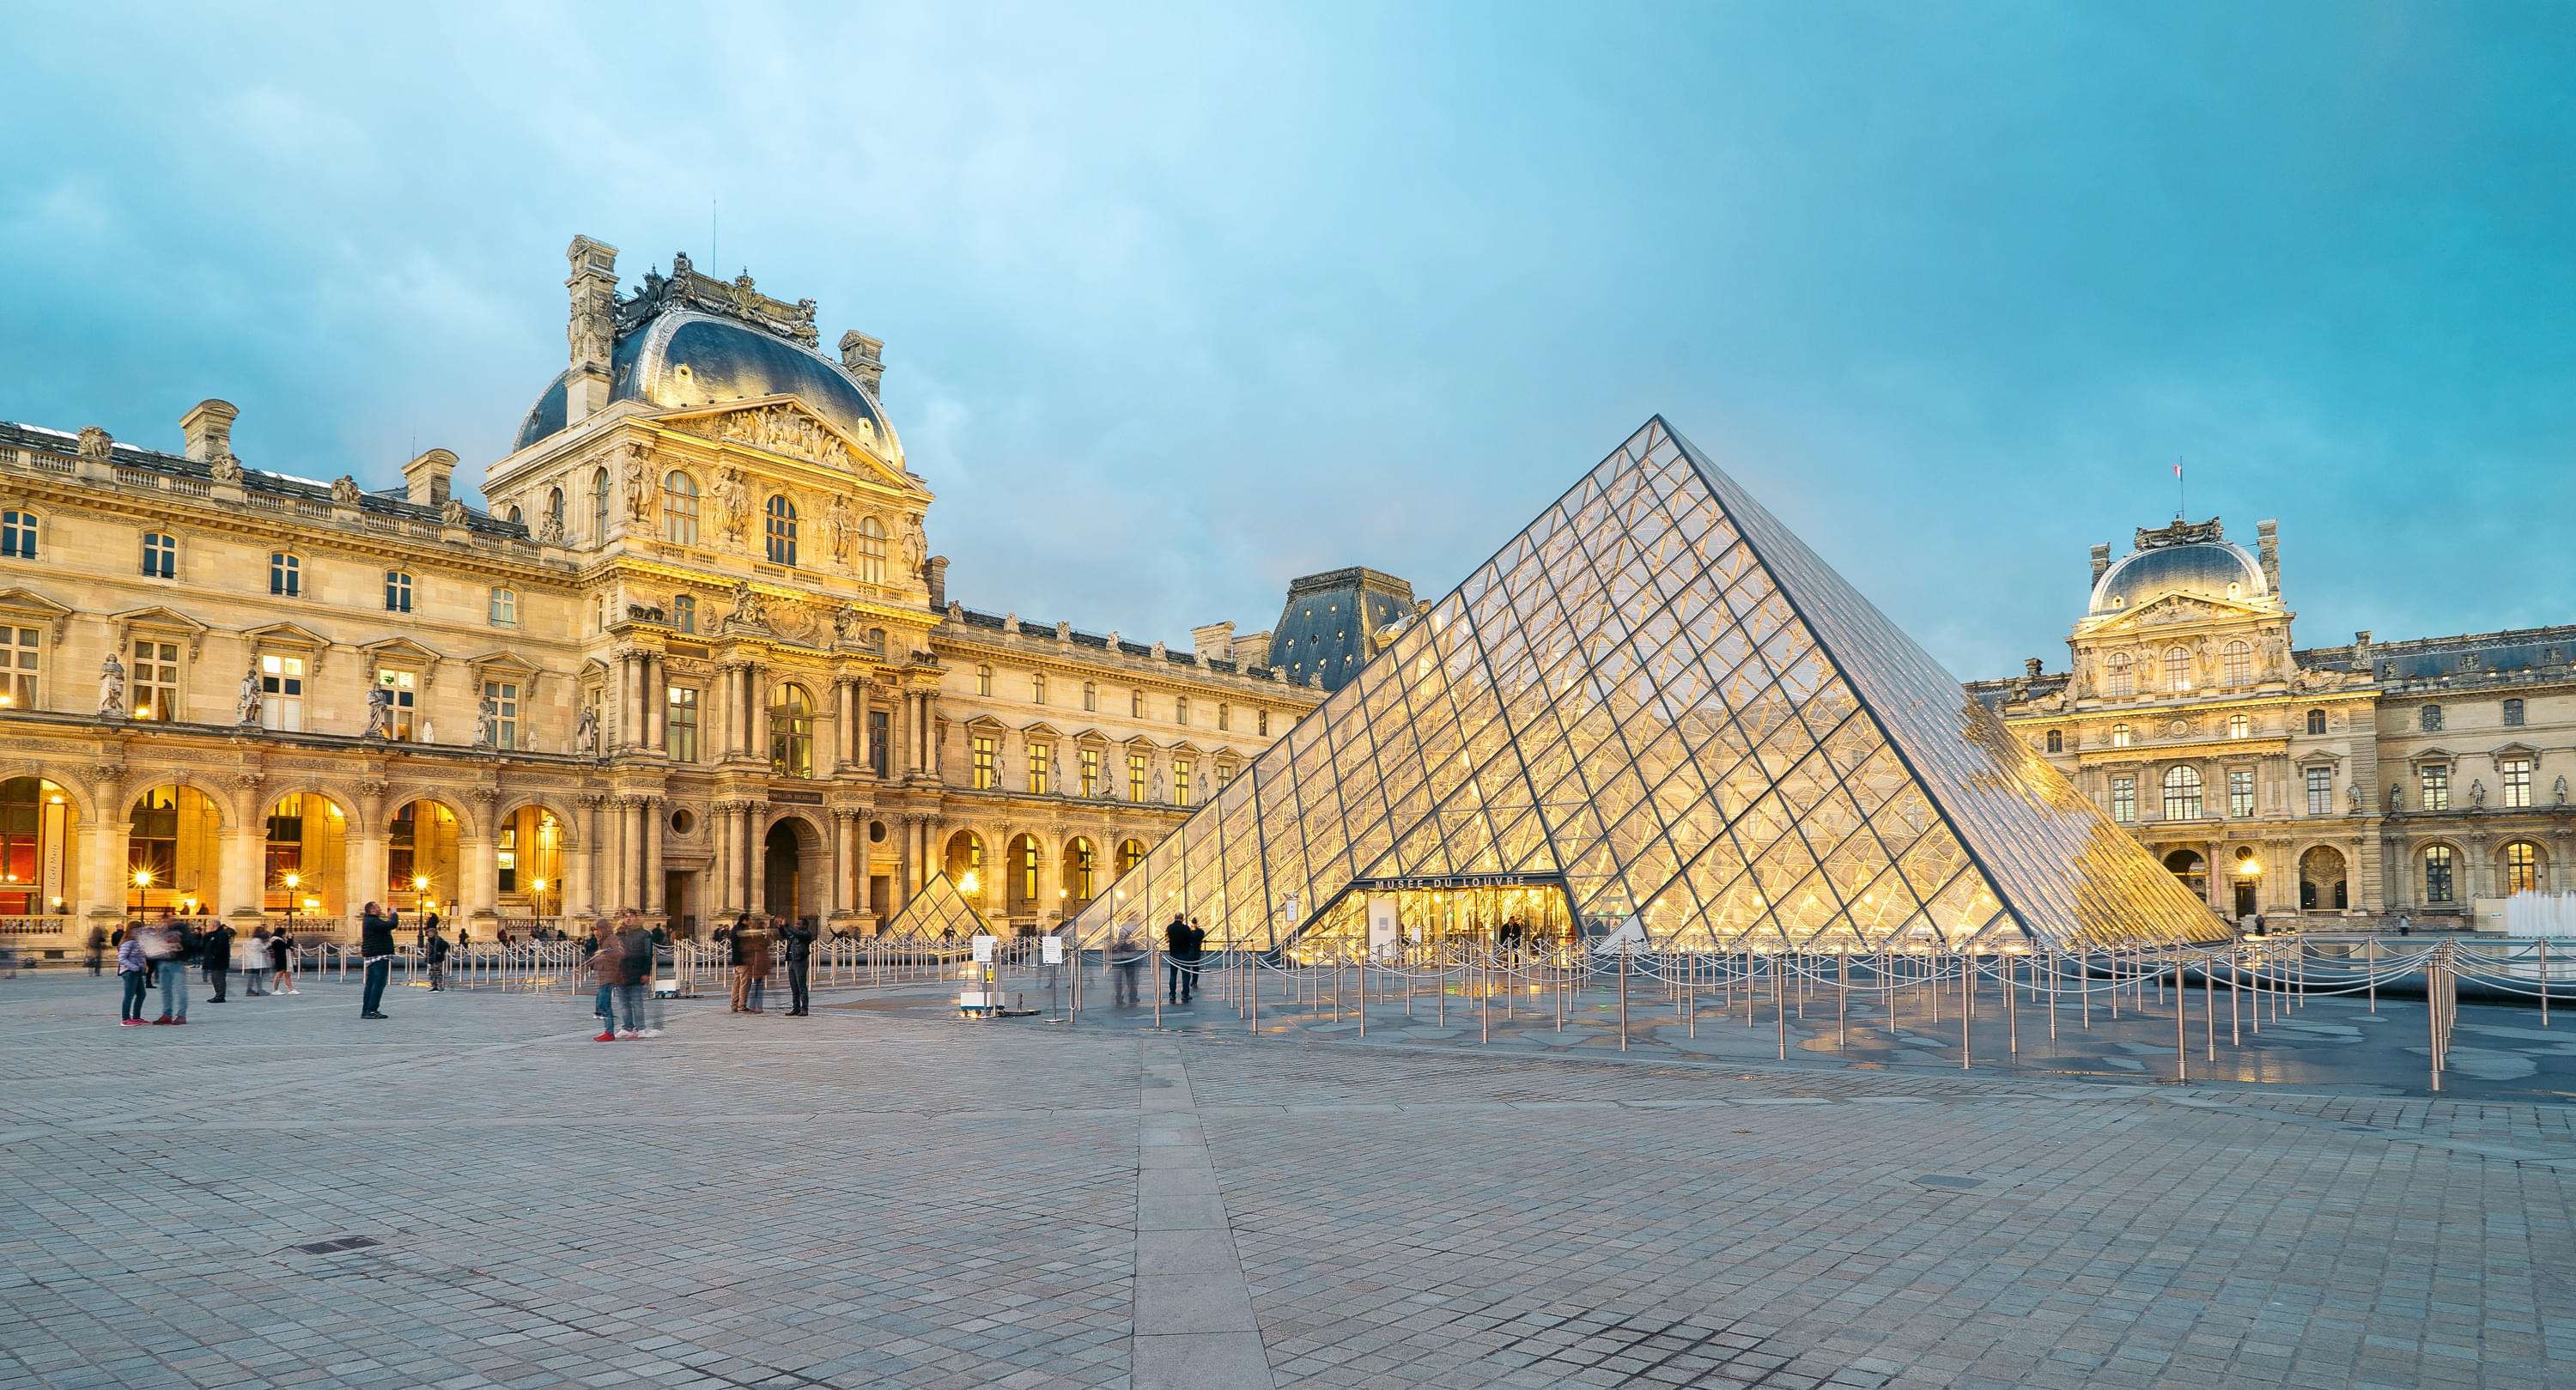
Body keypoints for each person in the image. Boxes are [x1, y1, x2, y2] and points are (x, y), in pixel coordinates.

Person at [616, 915, 655, 1037]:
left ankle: (640, 1028)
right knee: (624, 1003)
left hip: (637, 971)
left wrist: (646, 972)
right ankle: (627, 1027)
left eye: (631, 916)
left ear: (637, 918)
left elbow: (648, 954)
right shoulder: (618, 934)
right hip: (621, 973)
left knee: (637, 1002)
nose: (628, 919)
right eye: (625, 916)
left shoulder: (645, 934)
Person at [147, 915, 191, 1024]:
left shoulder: (182, 928)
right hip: (163, 961)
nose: (164, 922)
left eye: (165, 920)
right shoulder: (163, 930)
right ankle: (167, 1014)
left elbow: (188, 944)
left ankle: (181, 1015)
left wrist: (178, 948)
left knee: (180, 989)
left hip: (177, 962)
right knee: (165, 990)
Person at [358, 901, 398, 1019]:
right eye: (378, 907)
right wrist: (394, 914)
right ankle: (371, 1010)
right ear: (372, 910)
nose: (380, 909)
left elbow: (385, 926)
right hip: (379, 955)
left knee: (371, 984)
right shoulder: (372, 921)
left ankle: (366, 1010)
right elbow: (391, 925)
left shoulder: (370, 920)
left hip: (373, 955)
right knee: (378, 983)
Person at [591, 922, 627, 1041]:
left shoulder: (612, 938)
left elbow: (620, 952)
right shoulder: (602, 940)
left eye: (597, 929)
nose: (595, 932)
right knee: (603, 1004)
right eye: (593, 930)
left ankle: (609, 1032)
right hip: (603, 975)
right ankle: (608, 1030)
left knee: (604, 1004)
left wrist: (605, 952)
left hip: (610, 975)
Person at [781, 918, 815, 1017]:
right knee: (794, 987)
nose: (796, 926)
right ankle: (796, 1008)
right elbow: (786, 935)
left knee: (801, 986)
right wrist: (781, 927)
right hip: (792, 961)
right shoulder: (795, 935)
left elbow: (797, 934)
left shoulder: (806, 934)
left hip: (801, 962)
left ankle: (804, 1009)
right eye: (796, 924)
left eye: (798, 924)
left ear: (804, 926)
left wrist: (787, 925)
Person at [117, 924, 149, 1024]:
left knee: (141, 994)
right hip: (129, 972)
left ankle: (136, 1017)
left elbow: (140, 956)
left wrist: (143, 965)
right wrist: (134, 967)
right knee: (129, 995)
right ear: (132, 931)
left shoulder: (137, 942)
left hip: (137, 971)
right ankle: (125, 1019)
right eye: (138, 931)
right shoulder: (128, 943)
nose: (141, 933)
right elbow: (122, 958)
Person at [203, 918, 235, 1003]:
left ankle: (220, 996)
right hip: (214, 961)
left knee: (219, 978)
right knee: (215, 979)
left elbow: (220, 947)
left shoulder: (221, 934)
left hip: (219, 961)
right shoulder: (213, 934)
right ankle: (218, 994)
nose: (208, 927)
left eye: (209, 925)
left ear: (213, 926)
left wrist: (214, 955)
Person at [1110, 923, 1143, 1007]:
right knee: (1131, 978)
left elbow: (1119, 944)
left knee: (1119, 980)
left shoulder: (1121, 929)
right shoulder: (1136, 928)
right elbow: (1137, 944)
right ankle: (1132, 996)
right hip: (1130, 957)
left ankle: (1119, 997)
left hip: (1120, 957)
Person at [1177, 916, 1206, 1004]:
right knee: (1196, 966)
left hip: (1188, 952)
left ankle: (1189, 986)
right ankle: (1194, 981)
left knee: (1187, 970)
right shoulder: (1200, 932)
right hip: (1197, 951)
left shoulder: (1188, 932)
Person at [1163, 914, 1191, 1005]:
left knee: (1173, 975)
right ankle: (1185, 994)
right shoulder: (1186, 928)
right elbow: (1190, 940)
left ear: (1174, 918)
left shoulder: (1169, 927)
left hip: (1173, 954)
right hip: (1184, 954)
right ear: (1182, 919)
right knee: (1186, 975)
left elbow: (1166, 940)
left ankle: (1172, 994)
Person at [240, 926, 270, 997]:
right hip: (258, 961)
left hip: (254, 960)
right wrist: (269, 944)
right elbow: (261, 949)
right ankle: (256, 989)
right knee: (257, 976)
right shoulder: (257, 940)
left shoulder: (254, 940)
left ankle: (255, 989)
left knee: (255, 976)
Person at [270, 926, 297, 995]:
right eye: (284, 933)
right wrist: (290, 938)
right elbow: (287, 946)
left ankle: (291, 989)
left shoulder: (279, 939)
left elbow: (287, 946)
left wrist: (289, 939)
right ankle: (275, 990)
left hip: (283, 958)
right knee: (279, 973)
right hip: (281, 958)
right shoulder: (277, 940)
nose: (285, 934)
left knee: (286, 974)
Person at [424, 925, 451, 991]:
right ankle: (434, 986)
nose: (429, 934)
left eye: (430, 933)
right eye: (428, 933)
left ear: (434, 933)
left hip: (437, 959)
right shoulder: (430, 940)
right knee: (432, 973)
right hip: (432, 958)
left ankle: (440, 986)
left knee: (438, 972)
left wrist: (440, 952)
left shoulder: (438, 939)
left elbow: (446, 945)